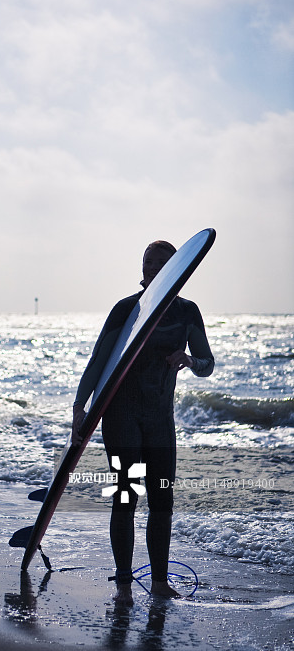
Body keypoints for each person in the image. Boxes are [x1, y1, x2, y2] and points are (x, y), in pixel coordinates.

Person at [71, 240, 214, 605]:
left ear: (176, 269)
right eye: (147, 262)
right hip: (121, 417)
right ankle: (123, 583)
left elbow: (207, 363)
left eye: (160, 263)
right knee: (126, 498)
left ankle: (161, 581)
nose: (151, 268)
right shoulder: (126, 310)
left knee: (162, 500)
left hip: (160, 420)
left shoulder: (187, 313)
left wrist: (188, 359)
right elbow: (98, 360)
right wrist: (79, 407)